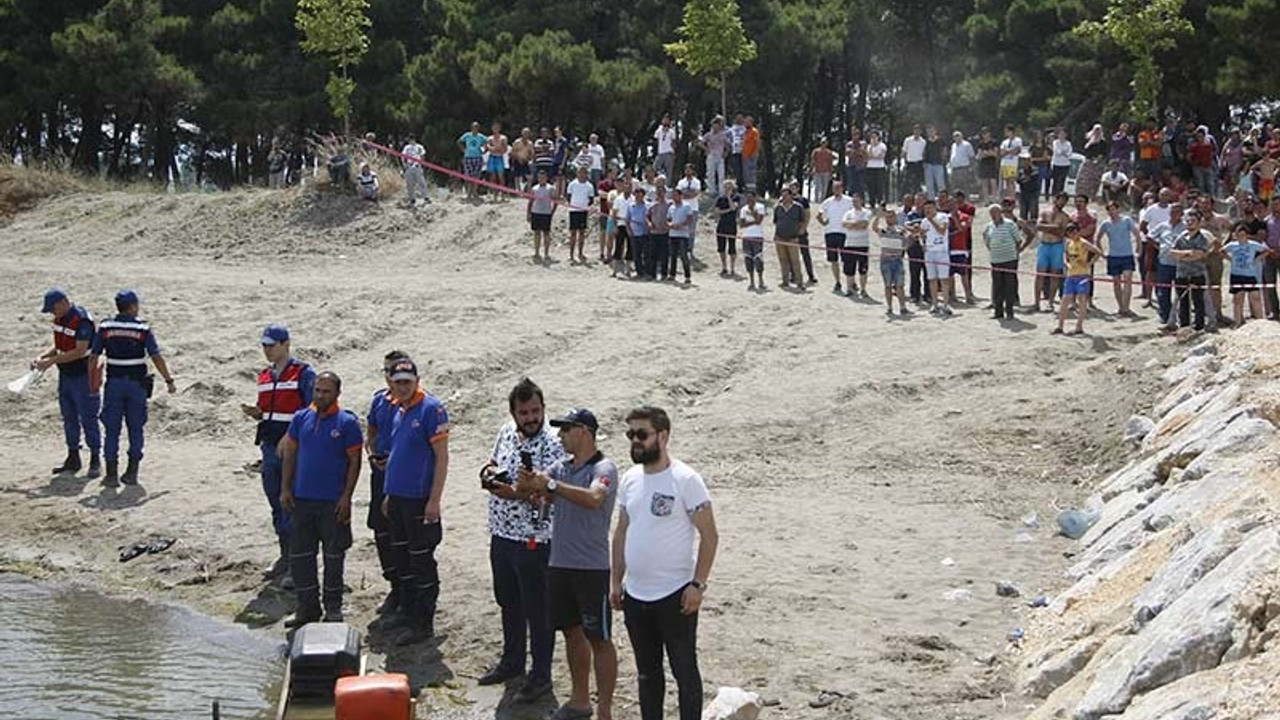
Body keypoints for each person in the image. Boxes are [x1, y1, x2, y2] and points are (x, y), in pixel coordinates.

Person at [611, 406, 718, 720]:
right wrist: (616, 582)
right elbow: (621, 533)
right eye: (630, 434)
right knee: (647, 675)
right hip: (636, 596)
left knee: (684, 671)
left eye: (642, 434)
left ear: (663, 435)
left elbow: (710, 535)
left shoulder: (686, 479)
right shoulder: (630, 479)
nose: (635, 441)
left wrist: (697, 585)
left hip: (675, 595)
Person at [517, 409, 619, 720]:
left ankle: (605, 709)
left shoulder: (604, 467)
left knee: (599, 638)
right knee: (572, 632)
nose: (560, 436)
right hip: (560, 563)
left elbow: (594, 498)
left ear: (585, 432)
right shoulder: (561, 467)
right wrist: (528, 483)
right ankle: (579, 700)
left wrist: (548, 487)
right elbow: (533, 491)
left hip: (591, 567)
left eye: (566, 430)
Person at [477, 379, 567, 702]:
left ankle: (541, 675)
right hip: (501, 532)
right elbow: (492, 461)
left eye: (535, 411)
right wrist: (488, 475)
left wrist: (515, 492)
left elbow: (555, 491)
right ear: (513, 412)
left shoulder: (555, 442)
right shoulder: (505, 432)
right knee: (508, 602)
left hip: (536, 538)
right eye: (524, 412)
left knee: (538, 611)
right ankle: (512, 661)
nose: (530, 418)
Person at [279, 371, 362, 627]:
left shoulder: (347, 423)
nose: (320, 395)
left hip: (332, 502)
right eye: (317, 390)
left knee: (333, 556)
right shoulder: (301, 418)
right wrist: (285, 488)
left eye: (326, 391)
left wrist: (347, 497)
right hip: (302, 500)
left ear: (337, 393)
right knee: (302, 557)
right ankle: (307, 609)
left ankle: (333, 608)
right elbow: (290, 455)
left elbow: (355, 462)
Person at [378, 358, 450, 644]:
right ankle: (407, 613)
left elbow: (442, 458)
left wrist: (434, 500)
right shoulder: (398, 409)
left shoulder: (431, 409)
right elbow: (398, 455)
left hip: (420, 500)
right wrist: (388, 493)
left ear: (417, 381)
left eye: (408, 381)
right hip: (397, 499)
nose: (403, 387)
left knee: (422, 562)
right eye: (398, 382)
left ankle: (423, 623)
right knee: (401, 559)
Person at [243, 323, 316, 590]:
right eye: (264, 346)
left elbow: (312, 408)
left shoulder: (303, 373)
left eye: (271, 345)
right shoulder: (264, 376)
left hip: (293, 449)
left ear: (286, 344)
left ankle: (297, 565)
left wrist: (292, 436)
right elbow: (269, 408)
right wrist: (257, 413)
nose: (267, 351)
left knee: (291, 505)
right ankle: (286, 556)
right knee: (276, 503)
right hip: (269, 445)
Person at [91, 289, 176, 487]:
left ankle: (111, 474)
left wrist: (92, 381)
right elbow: (156, 356)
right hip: (136, 384)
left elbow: (94, 355)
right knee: (135, 428)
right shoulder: (143, 328)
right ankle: (132, 472)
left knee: (111, 429)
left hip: (114, 383)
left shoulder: (105, 326)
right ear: (133, 307)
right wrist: (168, 380)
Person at [33, 288, 101, 479]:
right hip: (67, 375)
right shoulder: (60, 319)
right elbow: (60, 344)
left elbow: (80, 350)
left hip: (84, 374)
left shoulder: (82, 320)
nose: (53, 313)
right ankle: (73, 457)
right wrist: (43, 356)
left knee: (89, 417)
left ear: (64, 302)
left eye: (53, 309)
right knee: (69, 417)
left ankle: (95, 459)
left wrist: (51, 362)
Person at [365, 350, 411, 616]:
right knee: (380, 530)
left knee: (402, 533)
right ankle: (394, 586)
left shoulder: (414, 404)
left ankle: (407, 592)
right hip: (379, 474)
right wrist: (372, 454)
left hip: (402, 477)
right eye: (387, 372)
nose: (392, 378)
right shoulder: (379, 401)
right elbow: (371, 430)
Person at [983, 204, 1031, 320]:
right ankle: (998, 311)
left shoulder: (1010, 224)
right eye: (991, 213)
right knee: (997, 286)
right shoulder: (989, 226)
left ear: (1000, 213)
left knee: (1009, 285)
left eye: (995, 213)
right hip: (995, 260)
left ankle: (1010, 311)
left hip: (1009, 259)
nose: (993, 216)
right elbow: (986, 239)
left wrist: (1015, 252)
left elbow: (1018, 240)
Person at [1053, 223, 1102, 335]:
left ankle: (1079, 327)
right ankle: (1060, 326)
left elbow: (1097, 252)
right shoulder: (1069, 244)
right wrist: (1067, 264)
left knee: (1082, 300)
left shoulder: (1083, 243)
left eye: (1075, 232)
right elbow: (1066, 256)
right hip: (1071, 275)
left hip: (1082, 275)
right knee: (1065, 300)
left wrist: (1089, 263)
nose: (1073, 235)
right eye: (1071, 233)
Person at [1097, 201, 1144, 317]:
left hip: (1127, 255)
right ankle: (1121, 307)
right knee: (1116, 282)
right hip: (1113, 256)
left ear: (1118, 209)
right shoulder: (1106, 223)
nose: (1111, 212)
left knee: (1128, 280)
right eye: (1109, 210)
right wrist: (1102, 253)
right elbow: (1098, 238)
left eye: (1113, 209)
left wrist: (1139, 249)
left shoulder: (1126, 220)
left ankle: (1126, 307)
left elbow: (1137, 235)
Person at [1169, 209, 1211, 332]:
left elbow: (1199, 254)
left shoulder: (1203, 238)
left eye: (1193, 221)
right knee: (1183, 302)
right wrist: (1188, 253)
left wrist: (1182, 255)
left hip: (1197, 274)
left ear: (1198, 223)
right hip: (1181, 274)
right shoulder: (1180, 237)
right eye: (1188, 221)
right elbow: (1172, 253)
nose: (1190, 223)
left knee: (1198, 302)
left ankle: (1199, 328)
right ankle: (1184, 327)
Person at [1222, 222, 1268, 327]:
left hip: (1250, 275)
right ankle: (1238, 322)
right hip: (1236, 275)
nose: (1241, 237)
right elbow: (1221, 251)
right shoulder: (1232, 245)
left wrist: (1257, 259)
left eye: (1243, 235)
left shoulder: (1253, 244)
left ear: (1247, 235)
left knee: (1255, 298)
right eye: (1239, 235)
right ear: (1236, 235)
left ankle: (1261, 323)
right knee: (1238, 299)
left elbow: (1266, 251)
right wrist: (1230, 259)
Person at [1034, 193, 1071, 313]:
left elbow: (1062, 233)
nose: (1062, 203)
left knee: (1055, 275)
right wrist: (1055, 227)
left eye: (1064, 201)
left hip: (1057, 245)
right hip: (1044, 244)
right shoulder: (1045, 212)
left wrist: (1048, 227)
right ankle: (1036, 302)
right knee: (1040, 273)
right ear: (1055, 199)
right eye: (1061, 200)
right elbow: (1038, 226)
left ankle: (1050, 302)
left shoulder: (1065, 216)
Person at [1150, 204, 1186, 326]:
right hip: (1164, 263)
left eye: (1177, 212)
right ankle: (1165, 316)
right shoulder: (1163, 226)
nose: (1174, 214)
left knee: (1181, 292)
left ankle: (1182, 317)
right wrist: (1158, 246)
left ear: (1182, 214)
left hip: (1180, 264)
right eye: (1172, 212)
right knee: (1163, 291)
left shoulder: (1186, 227)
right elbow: (1150, 236)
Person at [818, 181, 855, 294]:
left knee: (847, 260)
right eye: (835, 188)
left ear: (842, 188)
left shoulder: (849, 201)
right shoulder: (827, 202)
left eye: (839, 187)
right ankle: (837, 282)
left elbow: (856, 213)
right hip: (830, 233)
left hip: (845, 233)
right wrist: (823, 222)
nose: (837, 189)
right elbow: (819, 214)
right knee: (833, 260)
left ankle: (851, 282)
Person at [872, 207, 909, 315]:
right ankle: (889, 307)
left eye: (891, 216)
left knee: (900, 285)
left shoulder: (901, 230)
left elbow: (907, 241)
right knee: (887, 285)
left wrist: (904, 247)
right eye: (887, 217)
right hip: (886, 260)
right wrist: (878, 216)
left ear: (895, 218)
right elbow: (874, 227)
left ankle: (902, 307)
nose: (889, 219)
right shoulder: (883, 230)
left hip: (897, 259)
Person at [920, 199, 952, 315]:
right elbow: (921, 234)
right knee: (932, 279)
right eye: (925, 209)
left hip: (942, 252)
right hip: (929, 252)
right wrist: (922, 244)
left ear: (935, 207)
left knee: (944, 279)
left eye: (929, 208)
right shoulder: (924, 221)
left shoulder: (943, 217)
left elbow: (942, 231)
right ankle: (934, 304)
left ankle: (946, 304)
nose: (927, 211)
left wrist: (931, 220)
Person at [772, 187, 806, 289]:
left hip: (793, 238)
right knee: (783, 260)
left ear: (791, 195)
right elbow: (775, 221)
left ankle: (799, 282)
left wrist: (800, 230)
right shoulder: (778, 208)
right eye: (782, 195)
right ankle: (785, 281)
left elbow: (802, 220)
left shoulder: (798, 207)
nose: (784, 197)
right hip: (779, 237)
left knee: (795, 261)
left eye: (786, 195)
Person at [841, 192, 874, 298]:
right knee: (849, 269)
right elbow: (844, 224)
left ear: (862, 201)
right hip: (849, 244)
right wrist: (856, 224)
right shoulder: (848, 213)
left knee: (863, 269)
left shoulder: (867, 212)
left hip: (862, 244)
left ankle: (863, 289)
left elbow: (864, 225)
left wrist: (852, 224)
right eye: (853, 201)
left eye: (857, 201)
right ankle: (849, 288)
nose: (855, 203)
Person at [567, 166, 596, 265]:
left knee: (582, 233)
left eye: (584, 172)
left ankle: (580, 252)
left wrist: (587, 206)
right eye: (580, 172)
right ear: (577, 173)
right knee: (573, 233)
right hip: (573, 211)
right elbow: (568, 197)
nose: (582, 174)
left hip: (583, 211)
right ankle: (571, 254)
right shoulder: (572, 184)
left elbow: (591, 199)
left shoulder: (589, 186)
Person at [713, 180, 742, 277]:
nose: (727, 189)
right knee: (721, 247)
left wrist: (729, 197)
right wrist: (728, 210)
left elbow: (734, 208)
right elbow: (717, 211)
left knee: (732, 247)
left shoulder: (736, 197)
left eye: (729, 187)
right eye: (725, 187)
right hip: (721, 225)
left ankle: (733, 268)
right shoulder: (720, 198)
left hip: (732, 225)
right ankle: (724, 267)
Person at [739, 189, 767, 291]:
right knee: (748, 259)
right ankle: (751, 281)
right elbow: (741, 224)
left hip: (757, 236)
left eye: (751, 197)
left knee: (758, 258)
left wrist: (752, 211)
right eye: (747, 197)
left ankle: (760, 280)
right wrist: (753, 221)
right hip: (746, 236)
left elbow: (759, 221)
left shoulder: (760, 207)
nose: (749, 199)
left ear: (755, 197)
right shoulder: (743, 209)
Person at [528, 170, 557, 264]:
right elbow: (530, 201)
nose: (541, 179)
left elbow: (555, 200)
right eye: (540, 178)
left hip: (546, 213)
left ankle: (546, 253)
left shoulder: (550, 188)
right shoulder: (534, 188)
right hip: (536, 212)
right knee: (536, 233)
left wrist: (552, 211)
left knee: (546, 234)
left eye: (543, 178)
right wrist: (528, 213)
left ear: (546, 178)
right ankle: (536, 252)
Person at [668, 188, 695, 284]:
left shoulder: (687, 206)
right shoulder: (671, 207)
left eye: (676, 195)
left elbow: (690, 219)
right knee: (673, 255)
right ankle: (672, 274)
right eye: (673, 195)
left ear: (681, 196)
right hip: (672, 234)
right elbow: (668, 219)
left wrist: (680, 225)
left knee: (684, 256)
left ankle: (687, 276)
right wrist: (670, 225)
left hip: (683, 234)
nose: (674, 197)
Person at [646, 183, 672, 281]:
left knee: (664, 255)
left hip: (664, 232)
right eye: (658, 191)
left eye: (662, 191)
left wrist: (669, 225)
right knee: (653, 254)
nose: (660, 193)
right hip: (653, 232)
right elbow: (647, 216)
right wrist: (649, 223)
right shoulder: (652, 204)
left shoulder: (669, 204)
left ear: (665, 193)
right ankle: (652, 274)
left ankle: (664, 274)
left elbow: (672, 216)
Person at [700, 116, 730, 197]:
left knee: (721, 175)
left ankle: (721, 192)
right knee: (710, 174)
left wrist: (726, 152)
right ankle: (712, 191)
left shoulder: (722, 135)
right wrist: (706, 149)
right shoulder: (708, 135)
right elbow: (701, 142)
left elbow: (727, 145)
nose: (716, 127)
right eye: (715, 125)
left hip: (720, 157)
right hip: (711, 156)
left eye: (718, 125)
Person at [459, 121, 487, 199]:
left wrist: (484, 149)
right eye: (474, 127)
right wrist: (463, 150)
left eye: (477, 127)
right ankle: (469, 193)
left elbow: (487, 142)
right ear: (471, 128)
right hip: (468, 157)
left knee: (476, 176)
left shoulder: (481, 136)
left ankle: (475, 192)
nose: (475, 129)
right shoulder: (467, 135)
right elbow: (459, 141)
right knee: (468, 176)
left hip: (478, 157)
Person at [628, 187, 651, 280]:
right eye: (636, 195)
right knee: (636, 254)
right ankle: (639, 272)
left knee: (646, 254)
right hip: (634, 233)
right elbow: (627, 220)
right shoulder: (630, 206)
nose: (637, 197)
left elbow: (650, 217)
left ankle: (647, 273)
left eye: (640, 196)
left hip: (645, 233)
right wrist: (629, 231)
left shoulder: (648, 205)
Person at [402, 136, 430, 206]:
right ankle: (412, 198)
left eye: (412, 139)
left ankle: (425, 197)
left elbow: (423, 155)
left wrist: (420, 162)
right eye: (410, 139)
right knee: (410, 184)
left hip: (417, 166)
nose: (411, 141)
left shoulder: (419, 147)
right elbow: (403, 156)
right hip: (409, 167)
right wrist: (405, 166)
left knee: (421, 182)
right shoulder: (406, 147)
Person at [923, 126, 948, 199]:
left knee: (940, 183)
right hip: (928, 164)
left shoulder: (941, 140)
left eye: (932, 131)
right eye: (928, 131)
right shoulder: (926, 141)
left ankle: (943, 199)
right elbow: (924, 152)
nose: (930, 132)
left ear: (935, 131)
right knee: (929, 184)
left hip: (938, 164)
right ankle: (931, 200)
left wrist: (944, 159)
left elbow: (944, 149)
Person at [900, 125, 926, 194]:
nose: (917, 132)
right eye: (915, 130)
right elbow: (904, 152)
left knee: (917, 182)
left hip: (919, 164)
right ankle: (902, 199)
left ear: (921, 132)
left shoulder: (923, 142)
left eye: (918, 130)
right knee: (905, 182)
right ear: (913, 131)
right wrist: (903, 163)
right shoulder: (908, 140)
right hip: (909, 163)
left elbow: (924, 153)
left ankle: (916, 198)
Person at [486, 123, 511, 196]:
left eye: (497, 128)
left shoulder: (503, 138)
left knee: (501, 176)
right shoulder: (490, 138)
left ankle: (502, 193)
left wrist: (497, 149)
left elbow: (505, 149)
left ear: (499, 129)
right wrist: (495, 149)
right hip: (492, 157)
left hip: (499, 157)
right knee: (493, 176)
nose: (495, 129)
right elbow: (489, 147)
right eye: (494, 128)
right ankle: (494, 193)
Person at [865, 130, 888, 206]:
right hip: (870, 167)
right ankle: (872, 202)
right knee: (871, 186)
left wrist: (873, 156)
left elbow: (881, 156)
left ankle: (880, 201)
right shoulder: (869, 146)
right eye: (872, 137)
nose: (873, 138)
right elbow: (868, 156)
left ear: (878, 137)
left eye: (875, 136)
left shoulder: (882, 146)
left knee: (879, 186)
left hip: (880, 167)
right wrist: (872, 146)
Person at [949, 131, 976, 196]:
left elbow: (971, 157)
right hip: (954, 169)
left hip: (964, 168)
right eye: (955, 136)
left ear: (961, 136)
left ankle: (966, 200)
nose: (957, 137)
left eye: (958, 136)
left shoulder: (967, 144)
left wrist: (971, 167)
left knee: (965, 186)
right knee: (955, 186)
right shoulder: (953, 145)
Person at [975, 127, 999, 200]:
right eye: (983, 133)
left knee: (993, 181)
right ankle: (986, 199)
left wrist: (986, 153)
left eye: (986, 133)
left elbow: (995, 153)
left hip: (991, 164)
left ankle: (994, 198)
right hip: (983, 164)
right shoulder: (980, 143)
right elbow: (979, 155)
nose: (985, 135)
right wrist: (987, 153)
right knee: (984, 182)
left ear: (989, 133)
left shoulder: (994, 142)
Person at [999, 125, 1023, 198]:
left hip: (1012, 164)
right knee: (1006, 181)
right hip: (1004, 163)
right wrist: (1009, 151)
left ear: (1011, 131)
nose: (1005, 133)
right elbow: (1002, 153)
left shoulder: (1018, 140)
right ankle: (1008, 197)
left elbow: (1017, 150)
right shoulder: (1004, 142)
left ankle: (1013, 197)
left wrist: (1008, 150)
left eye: (1007, 131)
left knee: (1011, 181)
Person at [844, 129, 867, 200]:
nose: (855, 136)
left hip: (861, 166)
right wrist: (858, 152)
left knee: (861, 184)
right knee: (851, 184)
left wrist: (855, 152)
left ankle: (862, 200)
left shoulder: (863, 143)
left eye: (857, 134)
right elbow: (848, 153)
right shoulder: (849, 144)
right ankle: (851, 200)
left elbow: (863, 153)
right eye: (854, 134)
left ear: (859, 135)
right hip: (851, 166)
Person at [1050, 128, 1073, 196]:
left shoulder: (1068, 143)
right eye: (1060, 134)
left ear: (1066, 135)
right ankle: (1054, 195)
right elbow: (1057, 151)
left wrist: (1064, 153)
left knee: (1062, 180)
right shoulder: (1055, 142)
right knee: (1056, 181)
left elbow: (1069, 154)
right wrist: (1064, 152)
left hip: (1065, 164)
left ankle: (1060, 196)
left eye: (1063, 134)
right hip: (1056, 164)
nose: (1062, 135)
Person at [654, 115, 677, 181]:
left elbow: (673, 142)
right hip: (660, 152)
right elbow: (657, 140)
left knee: (669, 171)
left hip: (669, 152)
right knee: (656, 168)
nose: (665, 121)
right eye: (664, 120)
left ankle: (668, 185)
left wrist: (674, 153)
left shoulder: (671, 131)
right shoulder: (658, 130)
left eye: (667, 120)